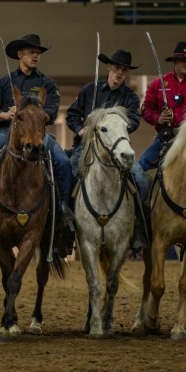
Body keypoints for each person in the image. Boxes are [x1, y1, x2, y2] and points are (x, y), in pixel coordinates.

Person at [0, 34, 74, 239]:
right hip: (7, 133)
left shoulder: (47, 83)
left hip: (38, 135)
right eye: (32, 52)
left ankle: (62, 209)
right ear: (20, 54)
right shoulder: (5, 81)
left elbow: (53, 109)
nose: (36, 56)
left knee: (64, 164)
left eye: (38, 53)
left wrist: (34, 114)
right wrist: (5, 114)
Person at [66, 48, 149, 250]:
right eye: (117, 68)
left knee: (140, 178)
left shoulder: (130, 97)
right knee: (68, 172)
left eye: (124, 70)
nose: (120, 73)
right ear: (109, 67)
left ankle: (138, 226)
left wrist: (116, 127)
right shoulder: (89, 90)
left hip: (117, 149)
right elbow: (72, 115)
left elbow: (135, 121)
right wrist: (80, 130)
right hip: (86, 148)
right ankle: (65, 226)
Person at [138, 41, 186, 171]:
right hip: (165, 138)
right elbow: (146, 109)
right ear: (174, 61)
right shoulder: (157, 84)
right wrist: (158, 118)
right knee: (140, 168)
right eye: (181, 59)